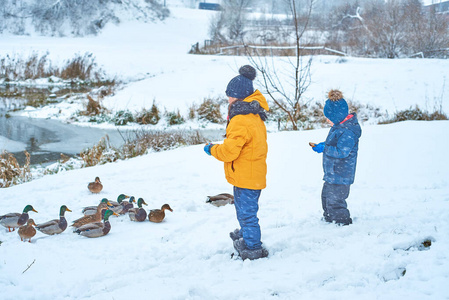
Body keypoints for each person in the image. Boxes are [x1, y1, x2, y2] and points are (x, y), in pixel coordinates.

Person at [204, 65, 269, 260]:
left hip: (246, 176)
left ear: (239, 97)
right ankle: (246, 233)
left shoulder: (241, 119)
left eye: (231, 96)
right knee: (245, 210)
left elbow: (229, 152)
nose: (229, 100)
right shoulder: (253, 114)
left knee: (247, 213)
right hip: (251, 173)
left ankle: (253, 247)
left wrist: (212, 149)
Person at [310, 89, 362, 226]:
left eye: (329, 118)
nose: (327, 120)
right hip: (332, 173)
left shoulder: (348, 132)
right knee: (326, 198)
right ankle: (329, 220)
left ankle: (341, 223)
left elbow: (342, 152)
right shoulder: (338, 127)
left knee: (336, 202)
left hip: (341, 174)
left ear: (337, 116)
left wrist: (325, 148)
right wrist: (324, 144)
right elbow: (334, 144)